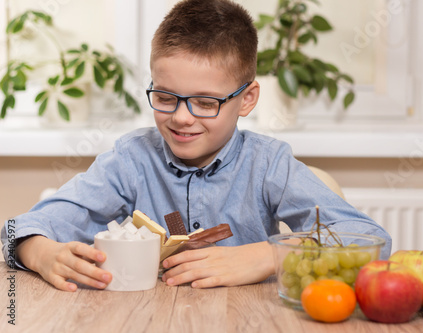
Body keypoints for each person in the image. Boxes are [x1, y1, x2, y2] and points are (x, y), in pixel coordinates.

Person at [1, 0, 391, 292]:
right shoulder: (132, 159)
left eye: (206, 102)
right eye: (166, 97)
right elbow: (22, 227)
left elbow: (369, 239)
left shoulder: (270, 165)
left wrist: (271, 255)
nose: (182, 118)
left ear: (247, 99)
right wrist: (40, 252)